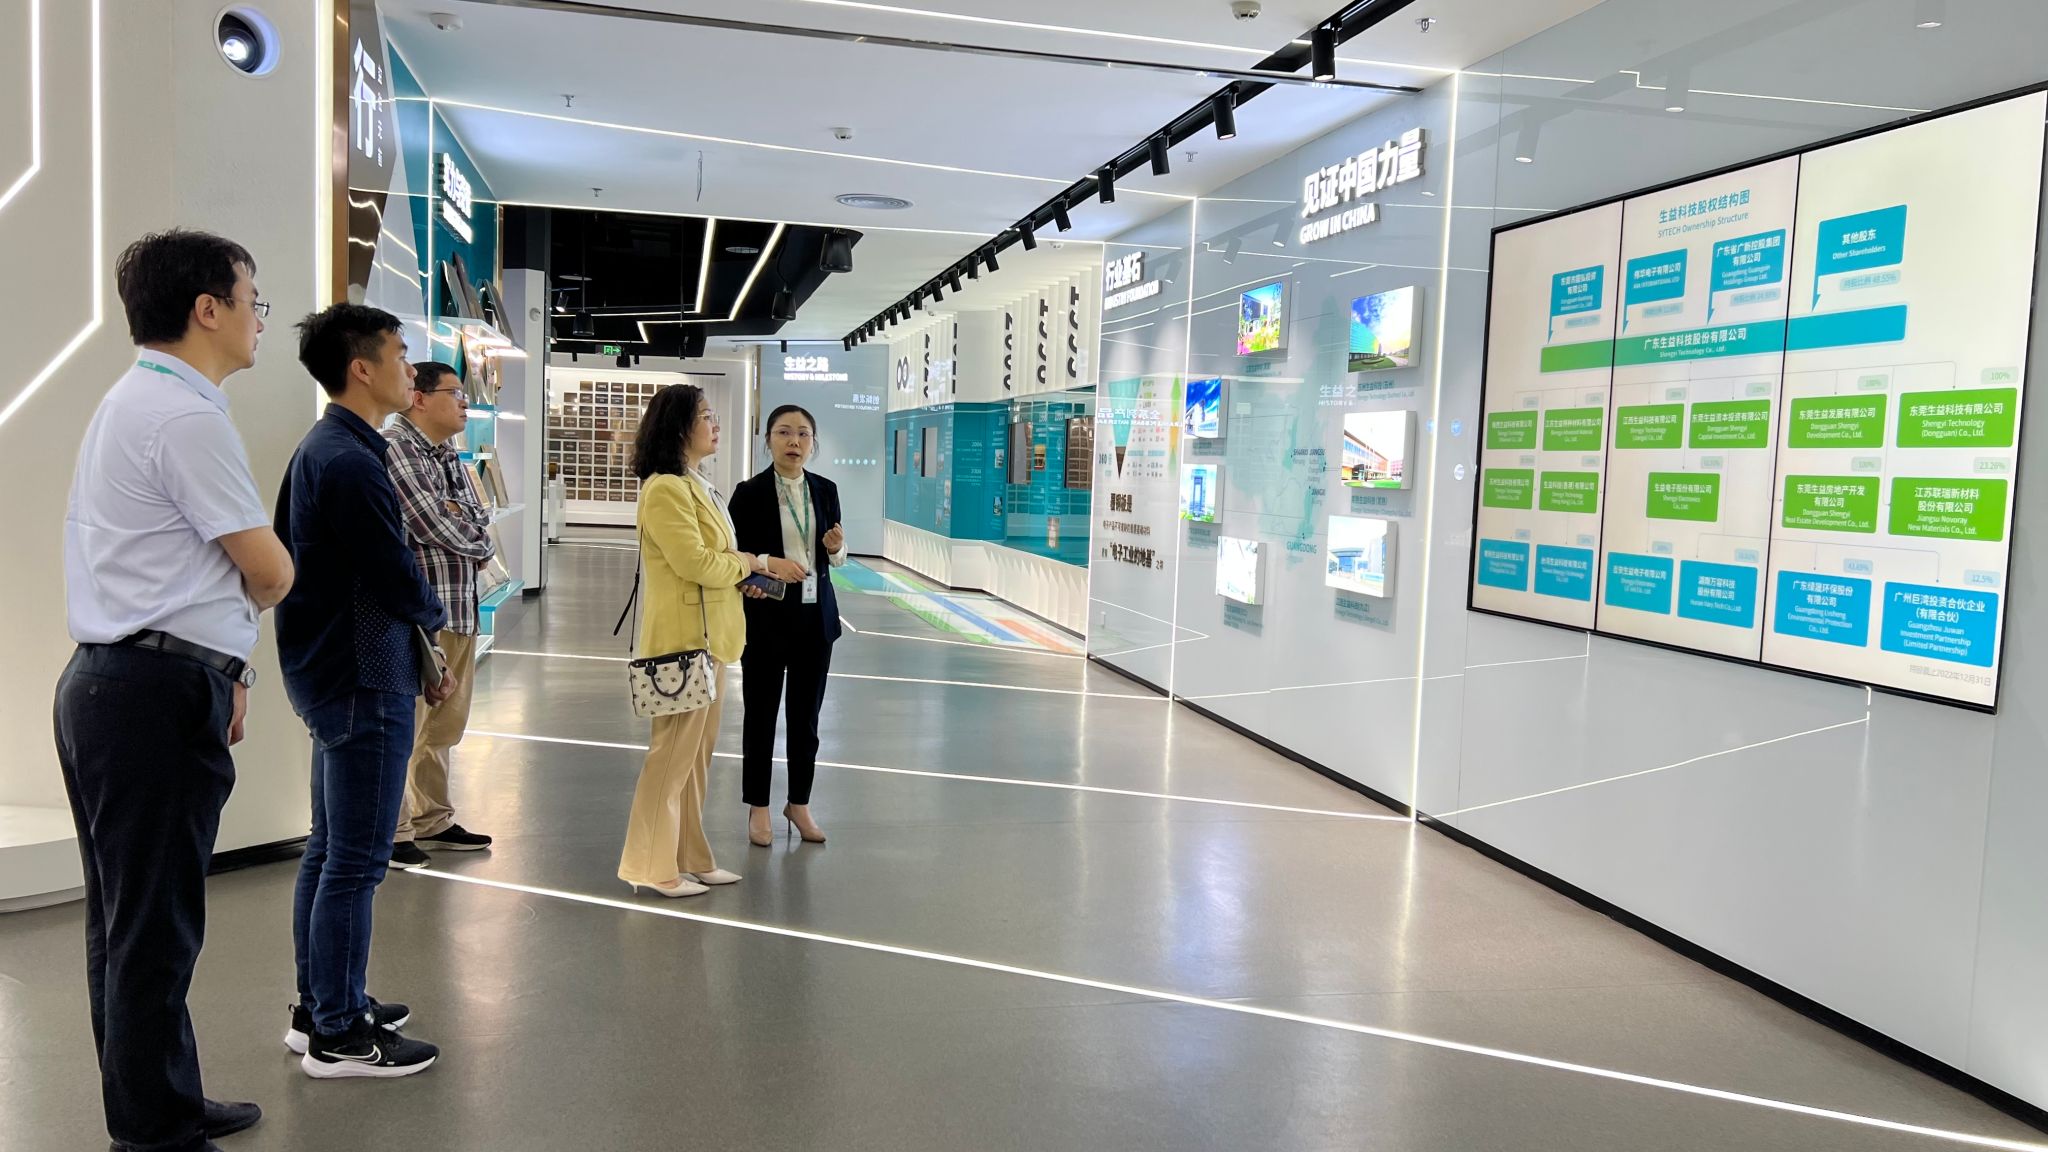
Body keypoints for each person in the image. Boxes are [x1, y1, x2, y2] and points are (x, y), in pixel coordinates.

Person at [55, 229, 290, 1152]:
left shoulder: (138, 401)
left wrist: (226, 665)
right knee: (153, 928)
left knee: (130, 924)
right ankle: (154, 1131)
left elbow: (190, 578)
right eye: (253, 300)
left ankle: (160, 1104)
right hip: (149, 693)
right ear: (207, 309)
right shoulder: (185, 417)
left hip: (123, 683)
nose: (258, 319)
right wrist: (227, 644)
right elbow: (268, 570)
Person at [274, 304, 452, 1079]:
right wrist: (435, 620)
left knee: (331, 850)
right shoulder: (347, 460)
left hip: (336, 671)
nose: (411, 369)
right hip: (362, 677)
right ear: (362, 367)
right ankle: (341, 1035)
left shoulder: (331, 447)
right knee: (355, 860)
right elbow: (392, 572)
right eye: (401, 353)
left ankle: (321, 1005)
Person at [617, 384, 804, 897]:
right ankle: (651, 867)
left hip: (711, 640)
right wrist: (753, 562)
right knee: (669, 761)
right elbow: (696, 562)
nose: (715, 424)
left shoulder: (698, 484)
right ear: (679, 426)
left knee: (695, 762)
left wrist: (743, 574)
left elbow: (714, 562)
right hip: (682, 643)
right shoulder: (665, 489)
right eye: (704, 415)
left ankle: (690, 857)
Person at [383, 361, 496, 870]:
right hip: (423, 613)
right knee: (411, 725)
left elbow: (478, 514)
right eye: (455, 393)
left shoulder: (447, 452)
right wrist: (475, 537)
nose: (464, 402)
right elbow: (429, 522)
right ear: (420, 398)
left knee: (444, 726)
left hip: (460, 605)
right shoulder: (397, 447)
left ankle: (432, 817)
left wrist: (465, 525)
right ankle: (395, 828)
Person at [729, 405, 847, 846]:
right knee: (760, 715)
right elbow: (734, 556)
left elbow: (837, 557)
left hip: (816, 620)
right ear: (768, 440)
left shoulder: (826, 490)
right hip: (766, 617)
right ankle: (758, 806)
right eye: (783, 432)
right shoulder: (748, 493)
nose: (794, 441)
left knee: (806, 719)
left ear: (813, 442)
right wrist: (760, 571)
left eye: (802, 434)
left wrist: (836, 548)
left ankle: (799, 803)